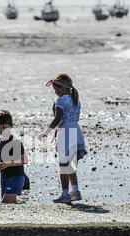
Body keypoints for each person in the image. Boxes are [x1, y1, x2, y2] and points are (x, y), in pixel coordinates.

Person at [39, 73, 87, 204]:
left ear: (66, 88)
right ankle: (75, 192)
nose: (56, 92)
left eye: (58, 89)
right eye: (55, 90)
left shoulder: (61, 100)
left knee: (63, 165)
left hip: (65, 132)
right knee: (70, 165)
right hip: (75, 131)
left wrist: (46, 132)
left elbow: (57, 119)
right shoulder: (75, 99)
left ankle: (65, 194)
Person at [0, 110, 28, 204]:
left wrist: (8, 164)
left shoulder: (15, 142)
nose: (2, 130)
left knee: (5, 204)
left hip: (16, 177)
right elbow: (0, 160)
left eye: (4, 128)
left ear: (11, 126)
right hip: (4, 177)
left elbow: (24, 160)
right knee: (11, 206)